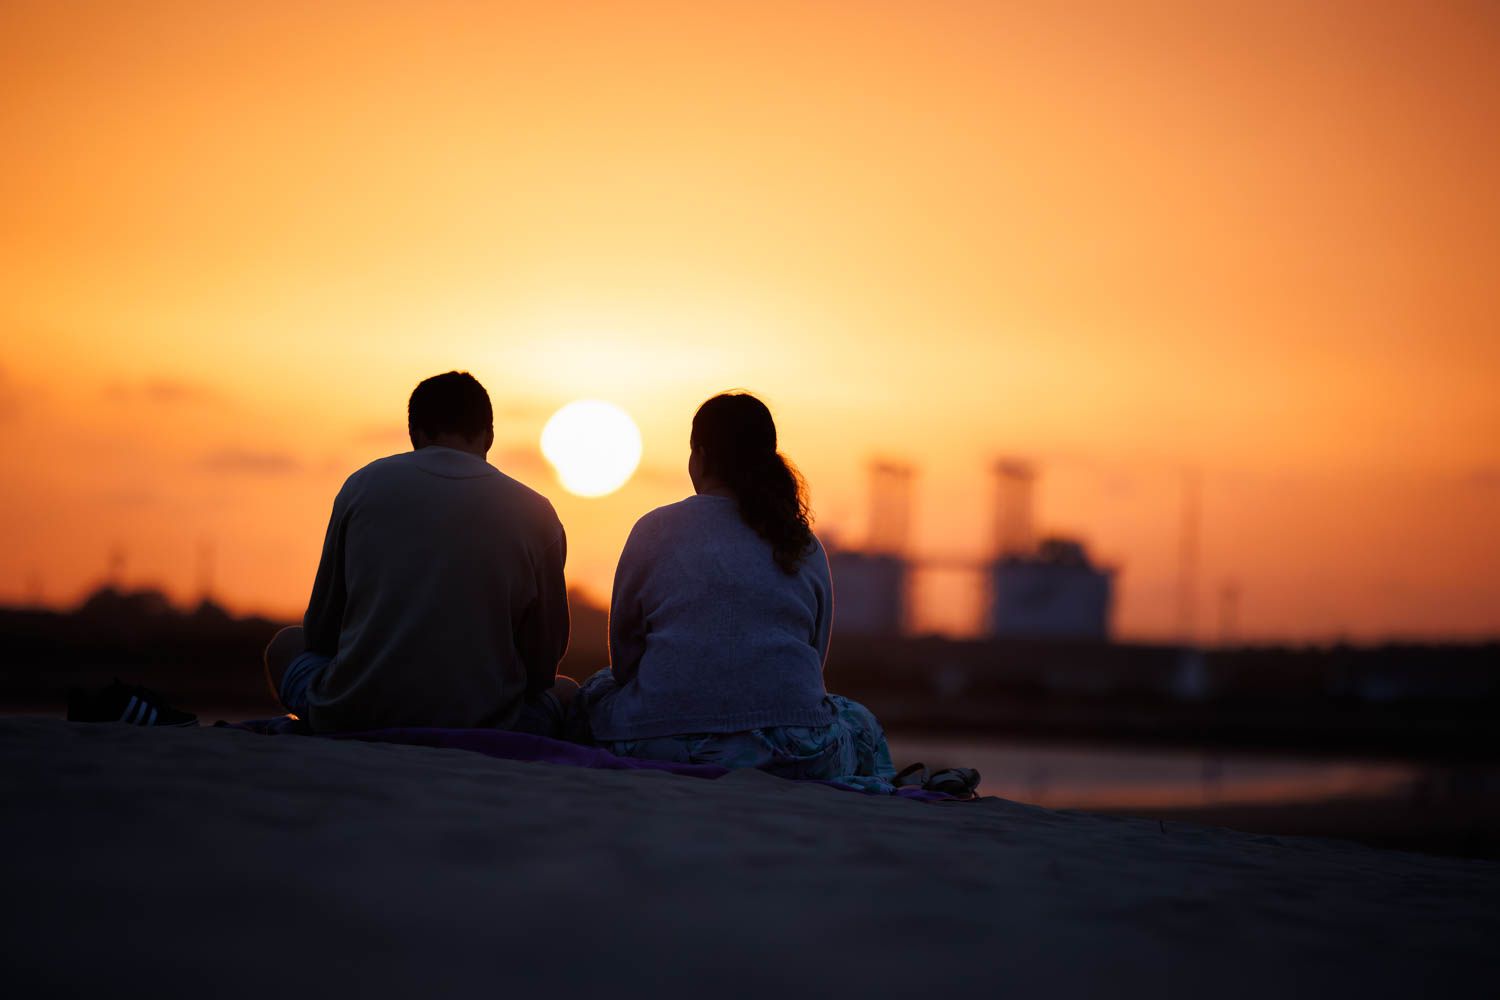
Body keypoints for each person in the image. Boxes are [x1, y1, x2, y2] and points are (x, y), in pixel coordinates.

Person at [573, 391, 897, 787]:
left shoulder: (653, 529)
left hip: (658, 742)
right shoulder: (803, 543)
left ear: (700, 455)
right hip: (796, 752)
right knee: (857, 720)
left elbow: (625, 662)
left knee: (595, 689)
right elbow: (815, 660)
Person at [263, 371, 575, 734]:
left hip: (354, 712)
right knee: (567, 691)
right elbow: (542, 667)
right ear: (489, 435)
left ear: (414, 433)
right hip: (486, 722)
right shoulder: (536, 512)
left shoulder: (362, 486)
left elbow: (320, 633)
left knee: (286, 644)